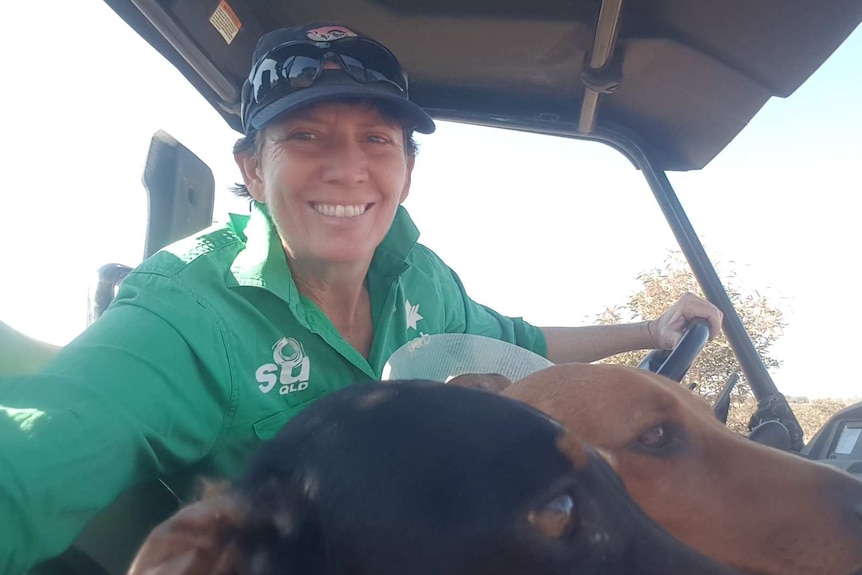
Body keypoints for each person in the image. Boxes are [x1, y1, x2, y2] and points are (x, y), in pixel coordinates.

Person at [0, 23, 722, 573]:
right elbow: (30, 464)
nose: (348, 168)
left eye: (377, 139)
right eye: (307, 135)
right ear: (253, 169)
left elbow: (520, 340)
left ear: (407, 171)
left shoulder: (420, 276)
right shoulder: (186, 309)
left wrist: (650, 331)